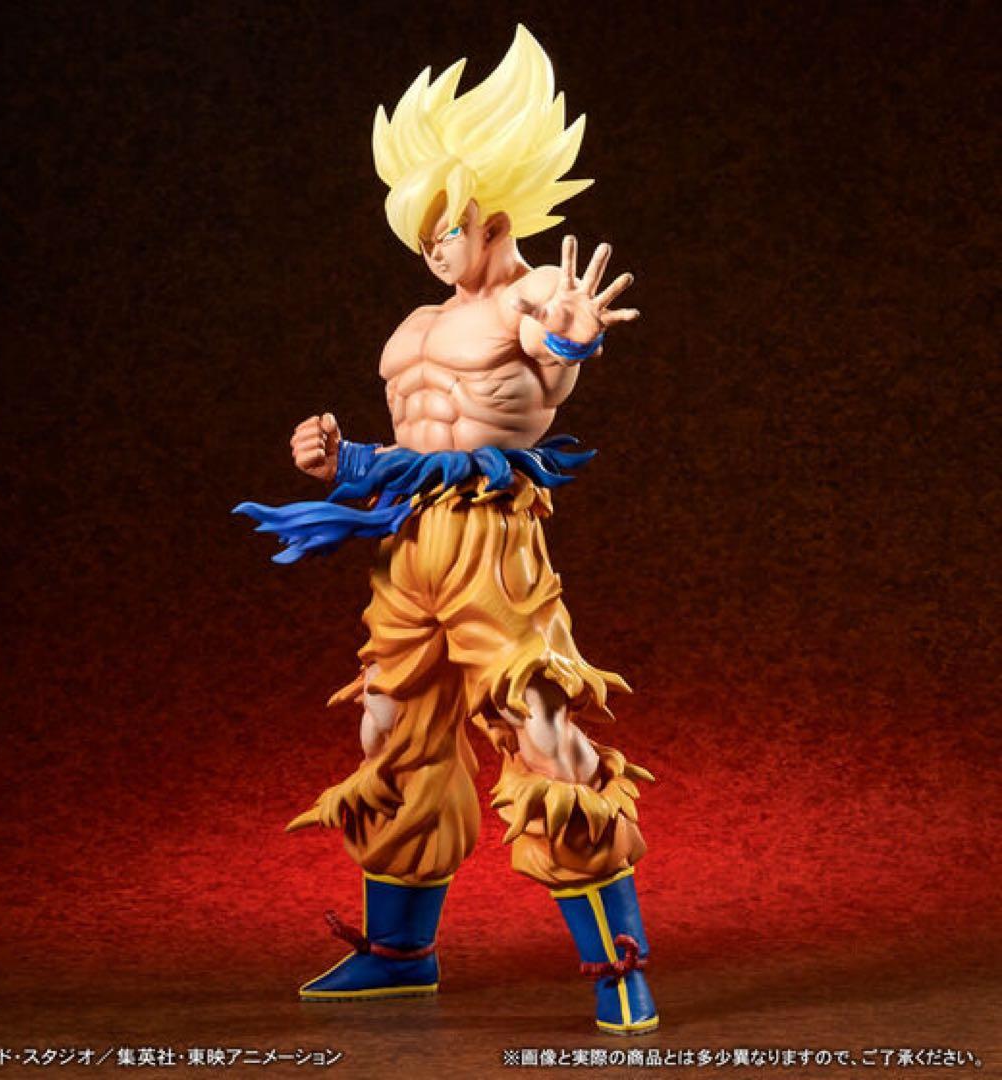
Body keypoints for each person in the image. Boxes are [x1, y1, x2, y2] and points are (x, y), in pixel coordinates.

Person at [235, 25, 659, 1035]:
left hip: (494, 548)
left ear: (490, 214)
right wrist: (339, 461)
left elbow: (556, 343)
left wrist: (573, 339)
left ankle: (620, 968)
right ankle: (399, 955)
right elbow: (412, 444)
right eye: (417, 230)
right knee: (390, 733)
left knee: (540, 731)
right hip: (408, 544)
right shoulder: (417, 326)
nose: (430, 244)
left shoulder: (530, 293)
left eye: (443, 222)